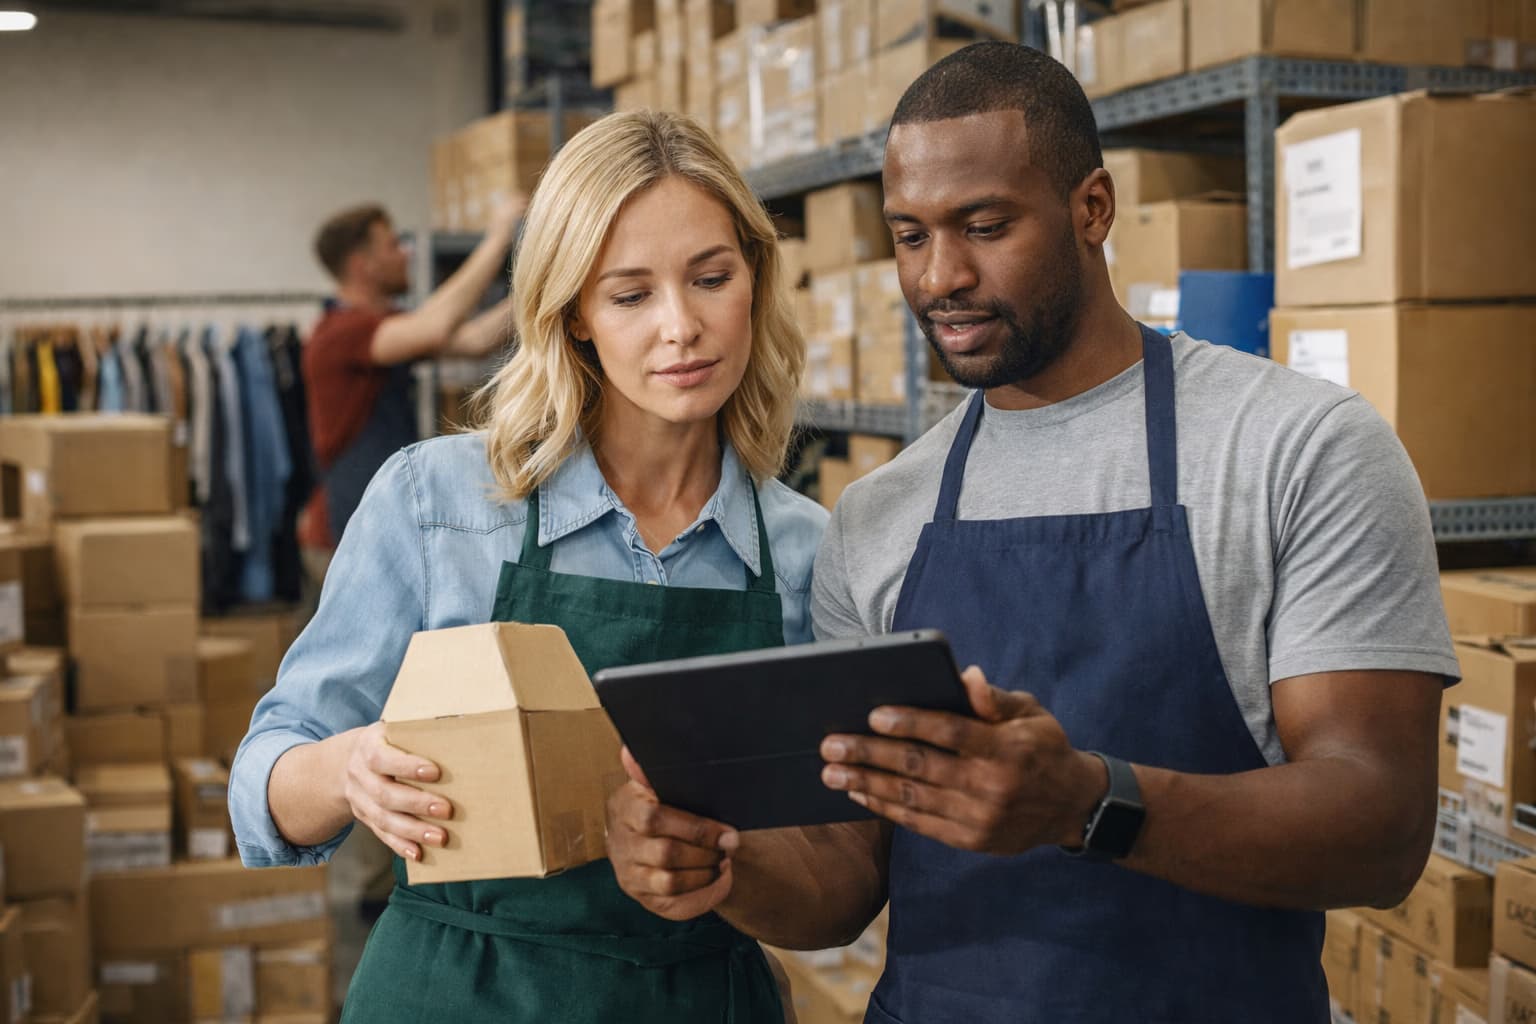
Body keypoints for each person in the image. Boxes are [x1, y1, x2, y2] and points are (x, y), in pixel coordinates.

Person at [604, 42, 1457, 1022]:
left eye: (984, 225)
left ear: (1092, 209)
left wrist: (1089, 802)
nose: (941, 276)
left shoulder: (1300, 449)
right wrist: (719, 863)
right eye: (910, 235)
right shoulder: (882, 515)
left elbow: (1381, 828)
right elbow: (846, 879)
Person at [229, 109, 825, 1022]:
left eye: (711, 278)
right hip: (460, 991)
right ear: (575, 315)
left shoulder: (806, 553)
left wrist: (730, 870)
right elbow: (266, 774)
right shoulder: (441, 505)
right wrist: (350, 768)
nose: (682, 327)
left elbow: (837, 873)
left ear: (755, 278)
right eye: (630, 295)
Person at [299, 197, 525, 583]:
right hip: (344, 534)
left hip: (371, 524)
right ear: (362, 264)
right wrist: (498, 236)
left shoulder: (385, 325)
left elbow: (475, 339)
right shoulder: (338, 333)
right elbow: (433, 327)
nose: (405, 253)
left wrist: (543, 289)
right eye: (392, 245)